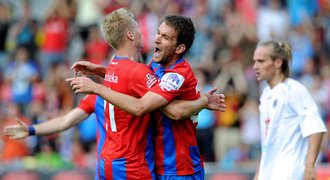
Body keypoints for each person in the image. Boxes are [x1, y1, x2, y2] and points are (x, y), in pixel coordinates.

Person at [67, 9, 225, 179]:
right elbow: (137, 80)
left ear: (179, 48)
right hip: (160, 164)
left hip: (180, 168)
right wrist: (101, 71)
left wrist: (203, 101)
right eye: (158, 32)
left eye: (165, 37)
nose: (156, 38)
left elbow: (168, 111)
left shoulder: (177, 74)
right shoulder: (156, 65)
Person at [252, 40, 327, 180]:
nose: (255, 66)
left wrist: (309, 165)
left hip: (291, 173)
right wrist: (259, 173)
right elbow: (267, 141)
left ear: (278, 63)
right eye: (255, 61)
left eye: (261, 61)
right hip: (269, 174)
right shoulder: (266, 95)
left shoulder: (294, 90)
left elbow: (316, 128)